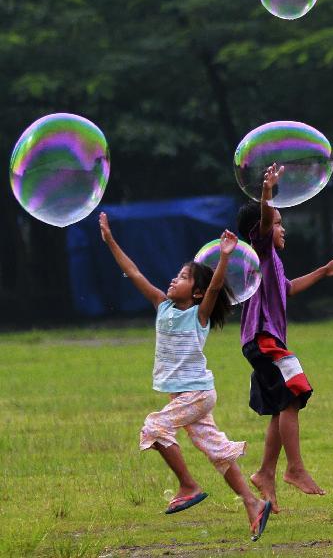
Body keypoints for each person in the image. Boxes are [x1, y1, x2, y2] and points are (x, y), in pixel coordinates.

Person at [99, 212, 271, 541]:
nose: (173, 280)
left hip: (197, 393)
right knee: (218, 452)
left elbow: (217, 285)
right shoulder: (162, 306)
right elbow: (132, 271)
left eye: (182, 277)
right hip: (184, 397)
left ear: (196, 293)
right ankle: (253, 504)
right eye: (176, 275)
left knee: (154, 426)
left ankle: (189, 485)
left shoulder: (199, 315)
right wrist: (110, 241)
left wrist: (223, 256)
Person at [236, 163, 333, 512]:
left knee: (280, 406)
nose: (282, 229)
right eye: (277, 223)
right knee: (296, 391)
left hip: (264, 341)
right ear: (262, 229)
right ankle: (295, 469)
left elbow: (287, 289)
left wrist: (324, 271)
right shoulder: (261, 252)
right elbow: (264, 223)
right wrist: (266, 194)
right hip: (264, 338)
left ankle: (266, 473)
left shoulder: (273, 264)